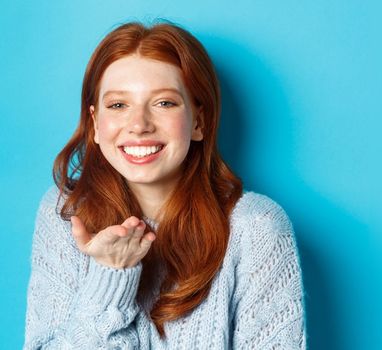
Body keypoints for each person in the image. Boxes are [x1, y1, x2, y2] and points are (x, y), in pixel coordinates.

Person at [24, 20, 307, 349]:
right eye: (118, 105)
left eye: (164, 103)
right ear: (96, 124)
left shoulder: (256, 227)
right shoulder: (66, 214)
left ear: (199, 121)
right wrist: (109, 277)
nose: (139, 125)